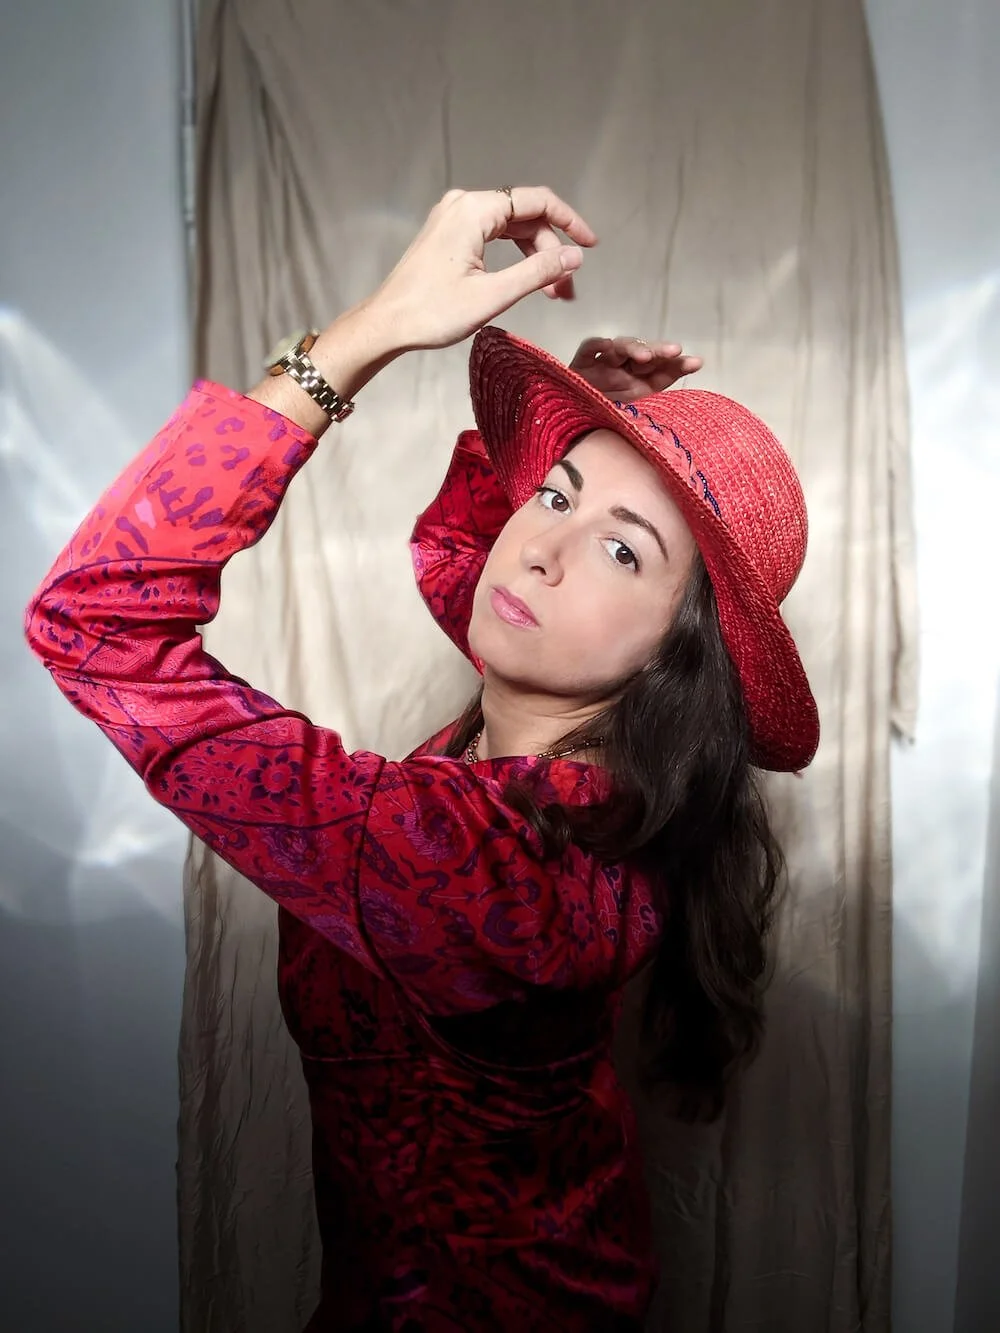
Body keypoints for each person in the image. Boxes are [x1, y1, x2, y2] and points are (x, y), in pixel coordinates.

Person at [24, 185, 819, 1331]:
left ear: (674, 658)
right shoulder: (574, 752)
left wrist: (368, 334)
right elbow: (461, 552)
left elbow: (95, 622)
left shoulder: (481, 864)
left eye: (620, 551)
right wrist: (594, 436)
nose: (536, 549)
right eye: (551, 496)